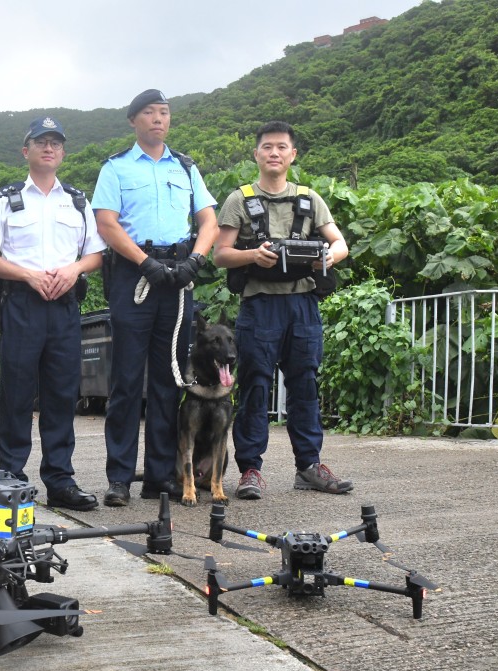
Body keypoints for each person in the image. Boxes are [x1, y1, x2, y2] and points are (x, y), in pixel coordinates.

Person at [92, 89, 219, 507]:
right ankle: (120, 478)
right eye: (149, 112)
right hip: (135, 277)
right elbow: (107, 224)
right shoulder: (116, 168)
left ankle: (161, 476)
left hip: (178, 276)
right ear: (133, 120)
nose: (158, 119)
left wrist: (196, 260)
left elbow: (208, 221)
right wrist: (145, 262)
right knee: (127, 381)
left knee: (168, 381)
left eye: (163, 112)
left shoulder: (186, 167)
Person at [213, 120, 352, 499]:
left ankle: (309, 465)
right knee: (255, 386)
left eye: (281, 147)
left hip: (303, 303)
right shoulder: (239, 199)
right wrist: (252, 254)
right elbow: (220, 254)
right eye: (267, 147)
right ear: (256, 154)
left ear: (293, 154)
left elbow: (340, 244)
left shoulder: (310, 198)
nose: (274, 153)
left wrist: (326, 257)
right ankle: (251, 470)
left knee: (304, 385)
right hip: (259, 306)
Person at [0, 116, 106, 511]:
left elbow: (96, 254)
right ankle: (12, 480)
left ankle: (60, 479)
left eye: (55, 142)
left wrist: (73, 270)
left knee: (62, 394)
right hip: (21, 304)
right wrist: (28, 276)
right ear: (26, 151)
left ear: (63, 152)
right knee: (16, 394)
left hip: (65, 305)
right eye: (40, 141)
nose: (48, 147)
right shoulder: (5, 198)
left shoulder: (78, 201)